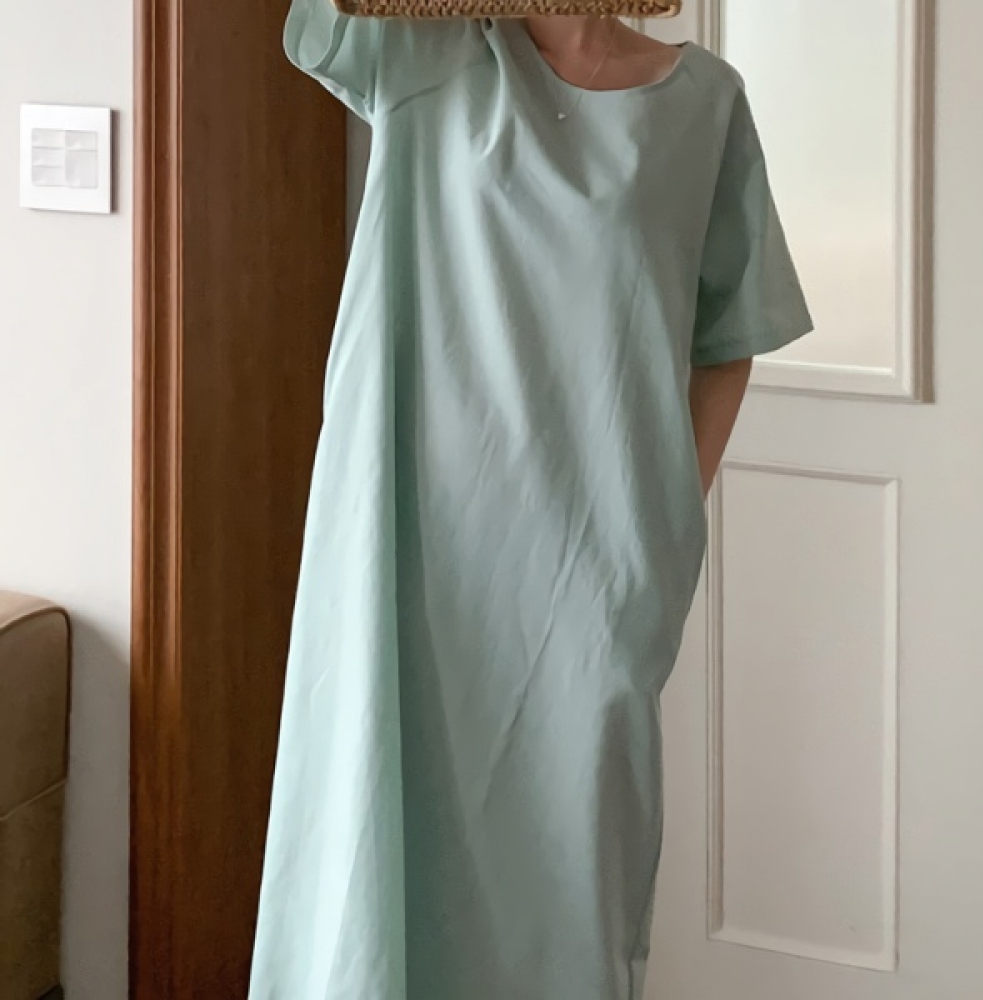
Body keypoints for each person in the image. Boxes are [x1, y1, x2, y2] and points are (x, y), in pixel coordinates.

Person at [249, 2, 813, 998]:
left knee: (575, 883)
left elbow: (729, 338)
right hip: (413, 549)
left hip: (594, 569)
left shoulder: (705, 106)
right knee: (382, 837)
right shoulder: (422, 60)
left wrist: (668, 509)